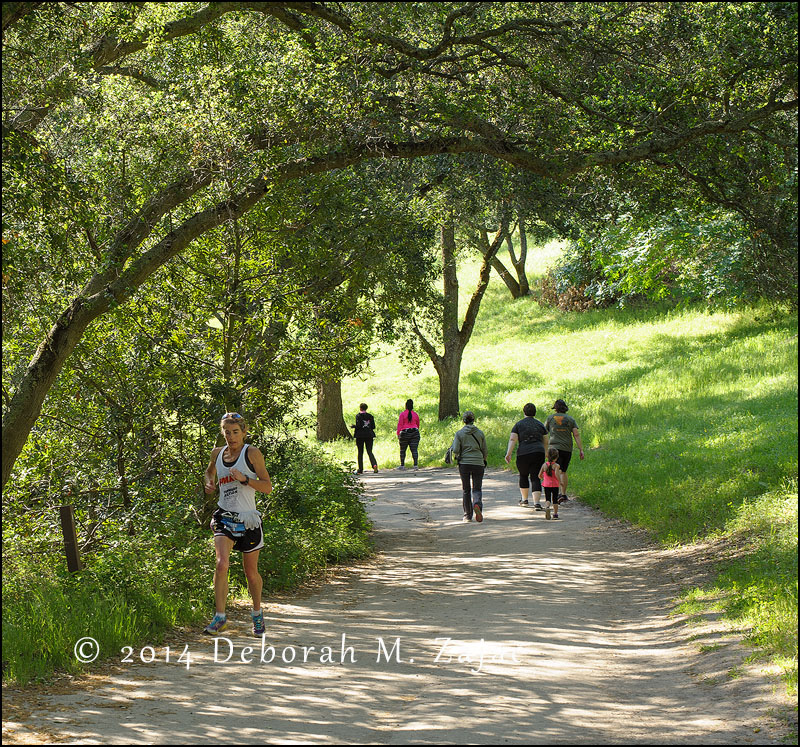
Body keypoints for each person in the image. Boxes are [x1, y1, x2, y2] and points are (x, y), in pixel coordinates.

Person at [203, 412, 273, 637]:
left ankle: (257, 613)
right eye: (227, 432)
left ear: (244, 432)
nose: (231, 437)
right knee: (222, 564)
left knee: (251, 573)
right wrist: (209, 482)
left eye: (235, 432)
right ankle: (220, 617)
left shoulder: (251, 453)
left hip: (248, 519)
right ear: (222, 432)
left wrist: (245, 479)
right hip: (225, 516)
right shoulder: (217, 453)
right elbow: (209, 472)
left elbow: (267, 486)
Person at [504, 403, 549, 511]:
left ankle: (524, 500)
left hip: (523, 453)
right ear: (535, 412)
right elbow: (546, 441)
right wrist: (546, 453)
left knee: (523, 475)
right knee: (536, 476)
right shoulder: (540, 425)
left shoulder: (518, 425)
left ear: (524, 412)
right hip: (538, 452)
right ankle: (537, 503)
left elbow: (512, 439)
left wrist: (508, 453)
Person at [545, 399, 585, 503]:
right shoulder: (570, 419)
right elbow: (576, 434)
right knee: (563, 471)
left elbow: (544, 433)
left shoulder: (550, 418)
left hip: (553, 448)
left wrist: (544, 448)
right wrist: (581, 449)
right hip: (566, 448)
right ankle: (563, 494)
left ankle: (554, 493)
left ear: (555, 408)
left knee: (554, 470)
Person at [452, 411, 488, 522]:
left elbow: (456, 450)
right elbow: (484, 450)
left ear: (463, 421)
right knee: (477, 488)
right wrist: (484, 460)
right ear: (473, 420)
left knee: (466, 490)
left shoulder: (459, 434)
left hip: (464, 464)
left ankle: (467, 515)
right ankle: (477, 504)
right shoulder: (480, 433)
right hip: (478, 463)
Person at [351, 403, 378, 474]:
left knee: (360, 452)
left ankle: (360, 469)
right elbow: (373, 426)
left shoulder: (358, 416)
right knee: (369, 451)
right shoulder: (370, 416)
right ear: (366, 408)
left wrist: (354, 426)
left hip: (360, 436)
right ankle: (374, 465)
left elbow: (359, 425)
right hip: (369, 435)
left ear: (360, 408)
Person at [538, 447, 563, 520]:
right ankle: (555, 514)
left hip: (546, 485)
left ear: (547, 456)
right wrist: (560, 481)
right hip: (555, 485)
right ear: (556, 457)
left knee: (548, 499)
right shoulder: (556, 466)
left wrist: (543, 477)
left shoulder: (544, 465)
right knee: (555, 500)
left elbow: (539, 475)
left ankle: (547, 507)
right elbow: (556, 474)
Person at [396, 398, 421, 470]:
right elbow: (418, 424)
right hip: (415, 433)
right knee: (414, 449)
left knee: (402, 449)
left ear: (406, 406)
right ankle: (415, 465)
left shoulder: (402, 414)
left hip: (405, 433)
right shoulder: (415, 414)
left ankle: (402, 465)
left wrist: (398, 433)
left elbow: (400, 424)